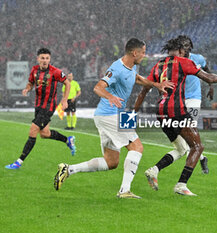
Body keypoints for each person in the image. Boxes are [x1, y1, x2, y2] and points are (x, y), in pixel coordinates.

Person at [53, 38, 174, 199]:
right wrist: (110, 96)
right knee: (137, 147)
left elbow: (137, 78)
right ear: (134, 52)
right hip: (110, 114)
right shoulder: (116, 68)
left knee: (111, 162)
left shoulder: (131, 67)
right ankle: (124, 190)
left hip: (115, 114)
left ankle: (68, 169)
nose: (144, 55)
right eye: (143, 52)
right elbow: (98, 87)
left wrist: (157, 85)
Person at [134, 38, 217, 196]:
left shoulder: (157, 66)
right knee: (197, 147)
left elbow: (143, 91)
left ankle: (153, 170)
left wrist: (132, 113)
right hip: (177, 110)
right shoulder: (183, 62)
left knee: (181, 148)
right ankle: (181, 185)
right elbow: (208, 77)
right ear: (181, 51)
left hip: (161, 112)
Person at [5, 48, 76, 169]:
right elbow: (31, 83)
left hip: (49, 106)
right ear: (38, 58)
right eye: (42, 58)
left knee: (33, 130)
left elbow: (67, 83)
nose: (45, 60)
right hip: (38, 105)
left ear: (50, 59)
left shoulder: (55, 71)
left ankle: (19, 162)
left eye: (47, 58)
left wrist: (64, 100)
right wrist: (27, 89)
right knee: (44, 133)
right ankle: (67, 140)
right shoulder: (34, 70)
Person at [176, 35, 213, 174]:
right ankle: (202, 157)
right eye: (182, 46)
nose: (184, 48)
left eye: (186, 46)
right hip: (179, 99)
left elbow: (207, 71)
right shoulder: (176, 61)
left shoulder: (198, 58)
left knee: (188, 131)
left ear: (190, 47)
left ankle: (185, 177)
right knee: (182, 134)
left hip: (194, 99)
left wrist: (211, 86)